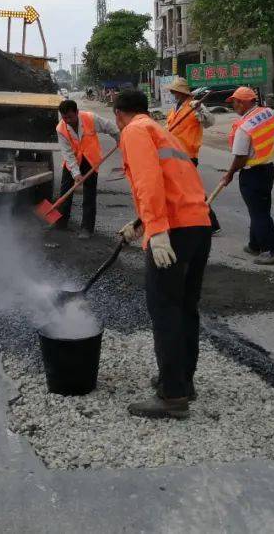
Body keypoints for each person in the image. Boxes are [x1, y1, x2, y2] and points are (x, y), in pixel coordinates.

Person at [113, 88, 212, 421]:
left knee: (165, 309)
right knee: (185, 306)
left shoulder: (134, 131)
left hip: (175, 231)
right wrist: (140, 223)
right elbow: (173, 186)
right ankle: (183, 380)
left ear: (118, 114)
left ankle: (173, 396)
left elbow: (148, 181)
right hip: (198, 225)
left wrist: (156, 230)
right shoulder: (162, 131)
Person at [217, 86, 274, 265]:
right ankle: (255, 244)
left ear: (245, 102)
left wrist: (230, 174)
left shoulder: (244, 127)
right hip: (267, 169)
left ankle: (272, 250)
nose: (234, 106)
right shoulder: (268, 113)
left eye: (236, 102)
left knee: (259, 212)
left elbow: (240, 157)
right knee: (259, 210)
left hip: (252, 174)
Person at [54, 99, 119, 239]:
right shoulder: (61, 128)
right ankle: (60, 223)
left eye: (70, 117)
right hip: (72, 161)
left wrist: (119, 137)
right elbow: (67, 153)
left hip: (90, 160)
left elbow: (110, 127)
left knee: (89, 194)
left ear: (77, 112)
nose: (67, 120)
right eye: (64, 118)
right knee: (65, 191)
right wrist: (76, 174)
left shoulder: (90, 118)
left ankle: (87, 228)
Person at [165, 76, 221, 234]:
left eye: (173, 90)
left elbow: (210, 122)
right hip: (174, 153)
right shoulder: (176, 107)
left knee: (192, 190)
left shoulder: (194, 106)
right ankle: (199, 221)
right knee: (187, 189)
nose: (171, 93)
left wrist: (199, 109)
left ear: (180, 92)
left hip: (188, 154)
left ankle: (211, 223)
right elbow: (169, 127)